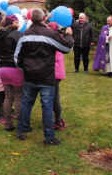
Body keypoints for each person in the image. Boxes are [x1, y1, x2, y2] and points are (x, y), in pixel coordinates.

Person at [14, 8, 74, 146]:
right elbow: (66, 48)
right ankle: (49, 137)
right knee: (46, 105)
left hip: (31, 76)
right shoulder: (49, 34)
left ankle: (22, 130)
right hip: (46, 77)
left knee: (27, 103)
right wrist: (69, 35)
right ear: (43, 19)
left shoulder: (25, 34)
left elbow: (17, 57)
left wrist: (25, 69)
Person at [0, 14, 23, 132]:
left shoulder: (0, 35)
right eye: (16, 22)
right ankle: (21, 124)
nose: (18, 24)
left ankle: (8, 124)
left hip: (4, 68)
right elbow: (21, 50)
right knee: (18, 97)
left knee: (7, 97)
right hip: (15, 68)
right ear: (11, 23)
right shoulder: (16, 34)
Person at [47, 22, 66, 131]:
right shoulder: (59, 39)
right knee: (54, 96)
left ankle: (58, 121)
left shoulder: (53, 40)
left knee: (54, 97)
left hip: (54, 71)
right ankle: (59, 118)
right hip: (56, 71)